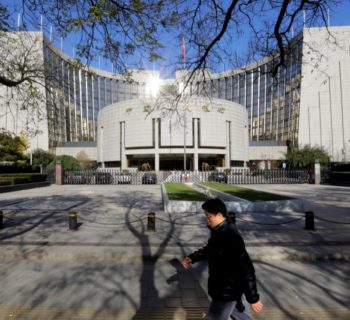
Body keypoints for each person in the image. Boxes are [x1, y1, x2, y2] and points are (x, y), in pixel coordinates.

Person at [181, 198, 263, 320]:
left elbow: (246, 268)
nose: (206, 219)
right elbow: (210, 249)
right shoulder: (219, 231)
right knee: (240, 314)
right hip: (226, 288)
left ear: (219, 215)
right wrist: (192, 258)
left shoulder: (230, 236)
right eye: (206, 216)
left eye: (208, 216)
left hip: (226, 291)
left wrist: (253, 298)